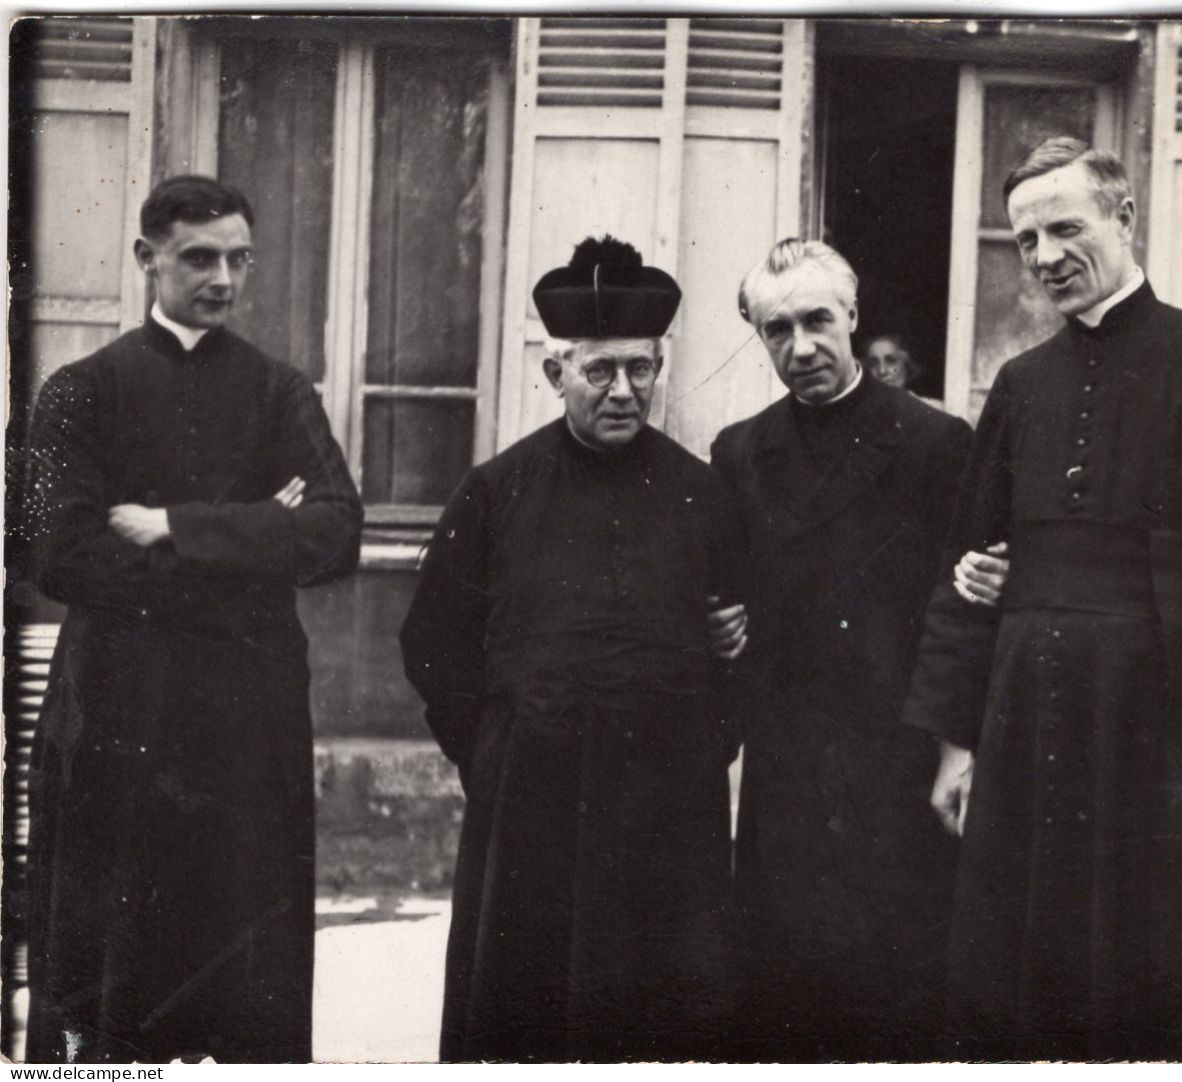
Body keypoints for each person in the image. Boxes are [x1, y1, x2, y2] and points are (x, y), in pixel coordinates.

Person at [902, 139, 1182, 1061]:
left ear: (1124, 220)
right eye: (1024, 240)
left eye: (1064, 228)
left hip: (1168, 727)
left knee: (1173, 978)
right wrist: (954, 745)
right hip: (1030, 722)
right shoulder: (1017, 386)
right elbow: (966, 575)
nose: (1044, 255)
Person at [20, 175, 363, 1062]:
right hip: (121, 713)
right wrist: (258, 538)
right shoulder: (76, 394)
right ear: (147, 259)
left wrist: (175, 527)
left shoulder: (280, 390)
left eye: (238, 258)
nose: (223, 278)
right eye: (199, 257)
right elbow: (52, 554)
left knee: (246, 976)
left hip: (246, 724)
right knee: (115, 978)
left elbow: (335, 532)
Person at [399, 236, 747, 1062]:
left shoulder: (702, 492)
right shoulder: (496, 490)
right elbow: (432, 641)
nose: (624, 391)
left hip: (667, 801)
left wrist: (704, 744)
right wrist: (490, 753)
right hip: (530, 800)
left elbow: (738, 635)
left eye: (641, 369)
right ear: (556, 375)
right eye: (600, 371)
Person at [711, 239, 973, 1060]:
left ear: (852, 319)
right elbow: (725, 595)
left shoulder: (936, 443)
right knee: (784, 993)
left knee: (902, 991)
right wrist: (719, 632)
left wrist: (954, 749)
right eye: (776, 330)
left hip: (901, 756)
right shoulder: (739, 452)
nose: (801, 348)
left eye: (818, 322)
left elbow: (962, 612)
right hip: (787, 764)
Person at [861, 333, 944, 410]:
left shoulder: (931, 409)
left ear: (906, 365)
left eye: (891, 361)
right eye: (873, 363)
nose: (882, 371)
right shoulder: (861, 412)